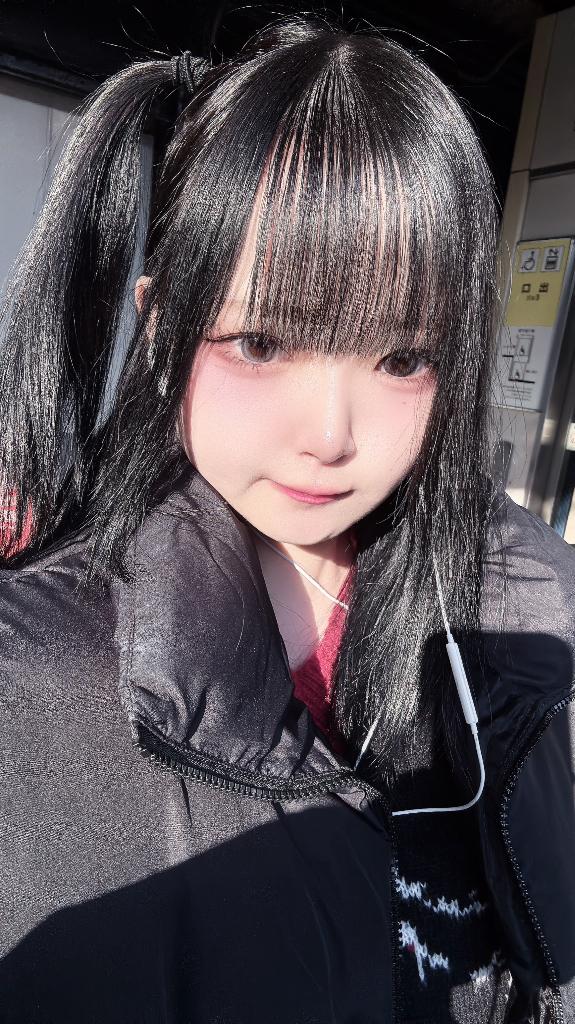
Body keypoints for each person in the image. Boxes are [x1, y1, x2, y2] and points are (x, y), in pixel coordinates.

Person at [0, 13, 573, 1024]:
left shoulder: (533, 604)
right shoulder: (35, 678)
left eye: (401, 357)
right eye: (262, 342)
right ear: (161, 326)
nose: (331, 435)